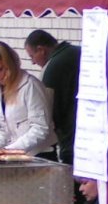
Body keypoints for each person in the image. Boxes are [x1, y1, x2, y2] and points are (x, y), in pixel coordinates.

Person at [0, 40, 57, 157]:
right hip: (15, 153)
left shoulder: (30, 85)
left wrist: (9, 150)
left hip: (40, 154)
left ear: (10, 64)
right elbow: (0, 128)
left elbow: (40, 128)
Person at [24, 30, 81, 165]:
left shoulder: (51, 69)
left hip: (71, 140)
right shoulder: (79, 51)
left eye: (32, 56)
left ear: (41, 50)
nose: (33, 62)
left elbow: (49, 111)